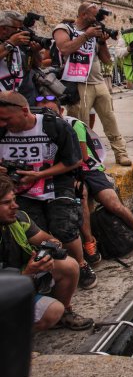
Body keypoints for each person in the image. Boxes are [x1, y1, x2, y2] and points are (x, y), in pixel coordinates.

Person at [0, 91, 97, 289]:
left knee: (65, 228)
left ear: (24, 111)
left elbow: (74, 161)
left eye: (6, 119)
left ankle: (81, 264)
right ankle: (48, 270)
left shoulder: (54, 126)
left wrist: (39, 175)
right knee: (37, 231)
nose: (3, 123)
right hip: (21, 189)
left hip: (55, 183)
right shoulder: (1, 130)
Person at [38, 96, 133, 258]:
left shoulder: (73, 124)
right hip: (67, 173)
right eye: (43, 113)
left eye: (52, 112)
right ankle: (89, 241)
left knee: (113, 203)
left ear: (61, 111)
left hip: (89, 169)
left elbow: (82, 157)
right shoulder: (39, 131)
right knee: (81, 198)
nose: (47, 116)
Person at [0, 175, 93, 331]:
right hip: (7, 291)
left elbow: (45, 238)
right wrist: (27, 273)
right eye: (6, 203)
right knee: (51, 312)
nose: (15, 206)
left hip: (20, 279)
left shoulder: (18, 219)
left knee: (69, 265)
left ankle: (64, 314)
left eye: (14, 200)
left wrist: (51, 246)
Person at [53, 3, 132, 166]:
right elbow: (64, 49)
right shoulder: (65, 28)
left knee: (110, 119)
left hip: (98, 81)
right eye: (94, 15)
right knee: (81, 123)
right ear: (83, 15)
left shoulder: (95, 32)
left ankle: (121, 153)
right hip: (78, 83)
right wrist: (86, 36)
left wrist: (102, 42)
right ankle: (85, 156)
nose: (97, 19)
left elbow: (107, 60)